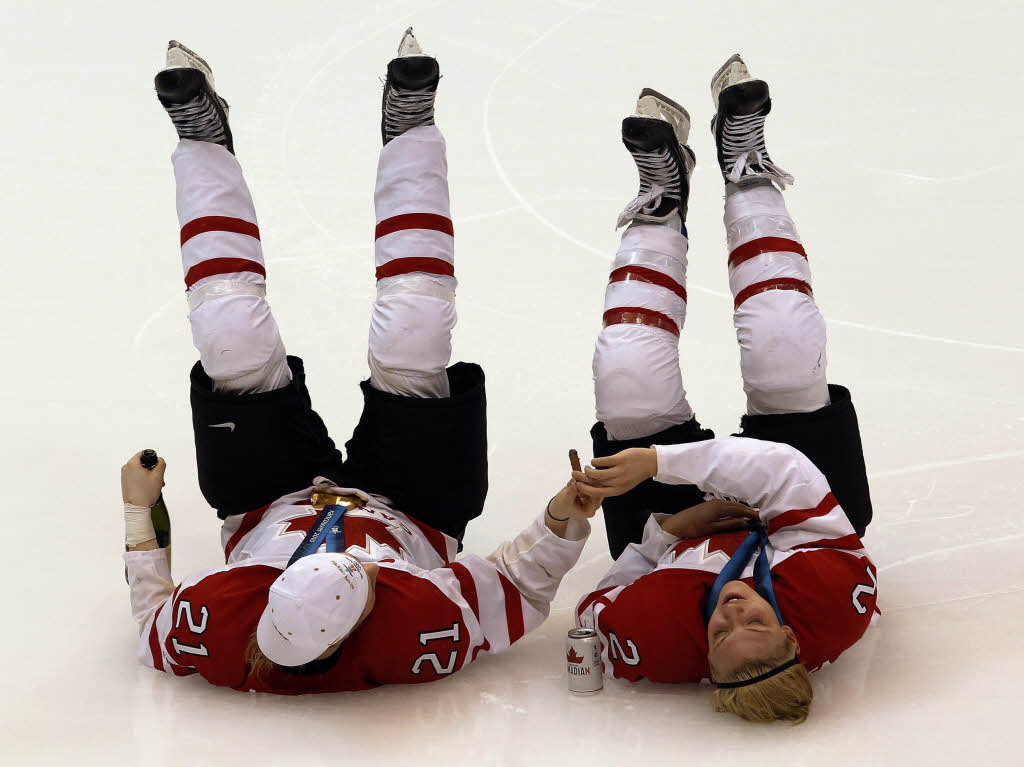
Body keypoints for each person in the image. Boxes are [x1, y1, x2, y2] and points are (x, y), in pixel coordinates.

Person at [122, 31, 598, 694]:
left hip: (267, 501)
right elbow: (521, 581)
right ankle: (412, 132)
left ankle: (202, 141)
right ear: (360, 623)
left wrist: (137, 510)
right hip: (418, 504)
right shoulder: (421, 625)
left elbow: (150, 618)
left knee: (226, 324)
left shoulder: (219, 624)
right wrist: (566, 513)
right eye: (365, 574)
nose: (361, 563)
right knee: (415, 319)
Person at [572, 55, 878, 724]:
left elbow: (594, 612)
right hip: (807, 508)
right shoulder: (833, 600)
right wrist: (662, 462)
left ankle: (662, 204)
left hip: (671, 528)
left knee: (625, 367)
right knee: (781, 337)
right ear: (794, 638)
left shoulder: (651, 647)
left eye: (718, 631)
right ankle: (746, 172)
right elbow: (777, 469)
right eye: (758, 625)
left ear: (704, 666)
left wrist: (662, 535)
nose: (734, 607)